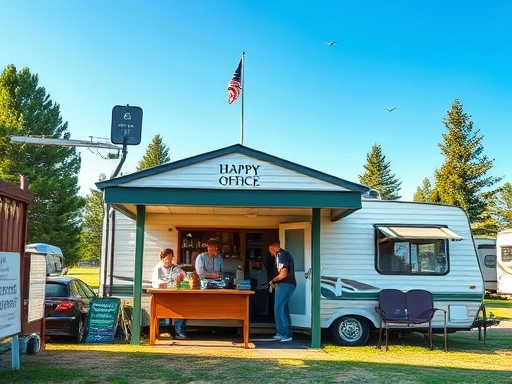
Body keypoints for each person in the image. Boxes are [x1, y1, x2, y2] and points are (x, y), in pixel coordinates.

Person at [151, 248, 187, 339]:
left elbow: (182, 274)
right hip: (162, 296)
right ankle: (163, 331)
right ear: (162, 258)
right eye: (168, 258)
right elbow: (156, 282)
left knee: (181, 308)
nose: (170, 261)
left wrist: (180, 276)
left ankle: (180, 331)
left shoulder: (173, 267)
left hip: (174, 294)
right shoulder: (158, 268)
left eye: (171, 258)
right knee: (162, 311)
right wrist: (168, 283)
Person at [268, 241, 296, 342]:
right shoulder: (285, 254)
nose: (271, 254)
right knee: (283, 308)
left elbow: (283, 274)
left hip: (285, 284)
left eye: (270, 252)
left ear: (273, 250)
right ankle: (281, 333)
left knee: (279, 309)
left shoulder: (280, 255)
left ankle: (286, 334)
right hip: (288, 285)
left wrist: (273, 280)